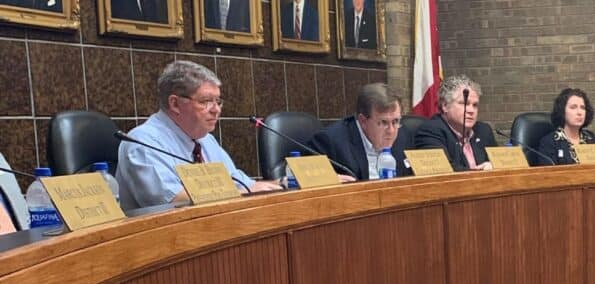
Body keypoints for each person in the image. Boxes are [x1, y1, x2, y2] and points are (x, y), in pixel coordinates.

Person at [116, 60, 282, 211]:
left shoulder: (205, 139)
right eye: (206, 101)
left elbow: (244, 184)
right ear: (175, 104)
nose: (216, 109)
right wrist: (242, 193)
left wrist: (283, 183)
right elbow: (171, 200)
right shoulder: (143, 142)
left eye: (218, 101)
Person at [306, 83, 412, 180]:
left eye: (395, 121)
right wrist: (330, 180)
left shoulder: (403, 136)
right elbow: (306, 179)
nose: (391, 131)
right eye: (383, 123)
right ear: (363, 121)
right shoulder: (330, 142)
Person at [414, 75, 497, 172]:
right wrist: (483, 172)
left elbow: (499, 162)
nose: (471, 110)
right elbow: (443, 171)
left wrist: (495, 165)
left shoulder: (484, 130)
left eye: (475, 105)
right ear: (445, 106)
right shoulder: (430, 131)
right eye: (464, 103)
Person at [535, 87, 595, 166]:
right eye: (573, 107)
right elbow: (548, 173)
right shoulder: (549, 143)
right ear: (562, 111)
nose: (579, 112)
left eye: (582, 108)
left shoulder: (590, 138)